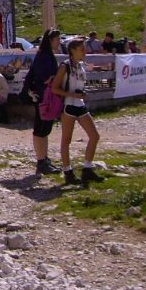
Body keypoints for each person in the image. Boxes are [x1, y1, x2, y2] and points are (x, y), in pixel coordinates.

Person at [52, 38, 103, 185]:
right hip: (68, 105)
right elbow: (55, 88)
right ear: (73, 50)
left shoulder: (81, 66)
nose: (85, 52)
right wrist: (72, 94)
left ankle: (87, 168)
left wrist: (82, 93)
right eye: (82, 49)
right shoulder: (65, 66)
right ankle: (68, 171)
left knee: (94, 136)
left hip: (80, 104)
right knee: (66, 140)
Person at [24, 28, 62, 175]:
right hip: (43, 97)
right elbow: (45, 78)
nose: (59, 42)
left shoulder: (45, 55)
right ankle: (41, 161)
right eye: (57, 39)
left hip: (45, 96)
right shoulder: (44, 56)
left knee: (45, 129)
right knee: (40, 129)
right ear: (50, 41)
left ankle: (44, 158)